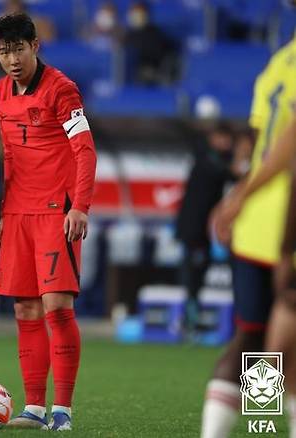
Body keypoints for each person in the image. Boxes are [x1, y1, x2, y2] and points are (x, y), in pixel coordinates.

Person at [0, 13, 97, 431]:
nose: (12, 59)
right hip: (18, 213)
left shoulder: (62, 89)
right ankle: (34, 408)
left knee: (57, 308)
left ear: (35, 45)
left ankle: (63, 411)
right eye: (3, 51)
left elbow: (85, 150)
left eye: (18, 48)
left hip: (57, 210)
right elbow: (11, 156)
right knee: (25, 309)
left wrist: (80, 205)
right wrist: (3, 211)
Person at [201, 33, 296, 438]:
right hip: (285, 219)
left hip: (256, 222)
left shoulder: (279, 61)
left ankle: (258, 424)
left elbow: (258, 144)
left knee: (254, 336)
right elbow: (289, 144)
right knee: (275, 344)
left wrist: (239, 198)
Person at [175, 122, 237, 332]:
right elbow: (228, 174)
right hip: (193, 229)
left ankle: (191, 318)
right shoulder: (207, 160)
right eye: (223, 138)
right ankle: (189, 321)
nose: (227, 143)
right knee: (193, 274)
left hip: (201, 230)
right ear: (214, 138)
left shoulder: (214, 160)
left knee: (198, 273)